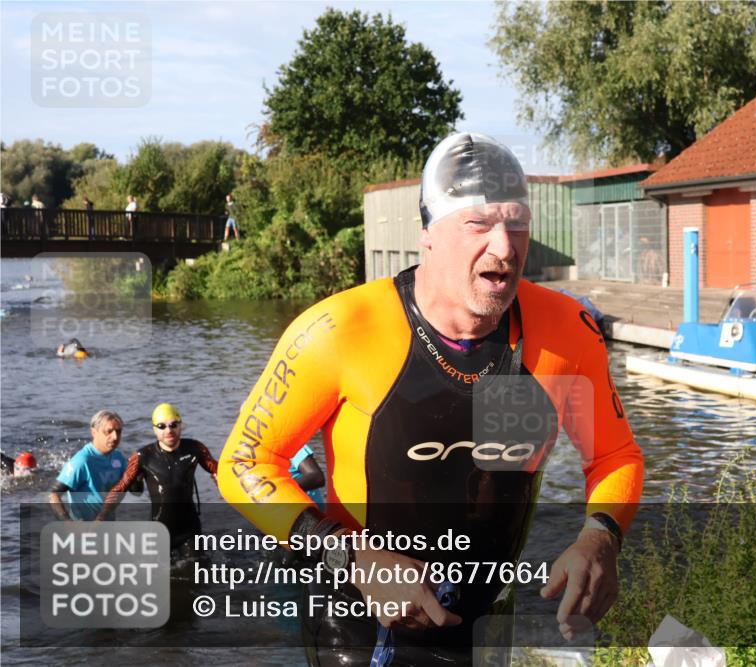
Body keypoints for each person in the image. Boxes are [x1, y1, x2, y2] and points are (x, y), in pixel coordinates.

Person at [218, 132, 645, 665]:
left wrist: (600, 536)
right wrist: (351, 556)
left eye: (516, 222)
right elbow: (243, 461)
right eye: (479, 224)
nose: (504, 246)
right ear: (428, 234)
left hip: (485, 628)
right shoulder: (338, 330)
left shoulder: (570, 332)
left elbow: (614, 457)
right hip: (359, 630)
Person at [98, 403, 218, 562]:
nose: (168, 430)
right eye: (162, 426)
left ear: (180, 426)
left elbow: (220, 471)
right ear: (155, 429)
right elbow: (121, 487)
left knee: (196, 573)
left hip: (190, 530)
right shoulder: (142, 456)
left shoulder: (195, 448)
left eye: (173, 425)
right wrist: (100, 518)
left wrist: (220, 480)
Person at [50, 410, 134, 521]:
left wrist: (138, 471)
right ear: (94, 432)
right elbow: (53, 495)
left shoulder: (118, 458)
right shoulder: (82, 461)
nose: (115, 437)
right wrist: (67, 523)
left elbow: (135, 491)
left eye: (118, 431)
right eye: (109, 431)